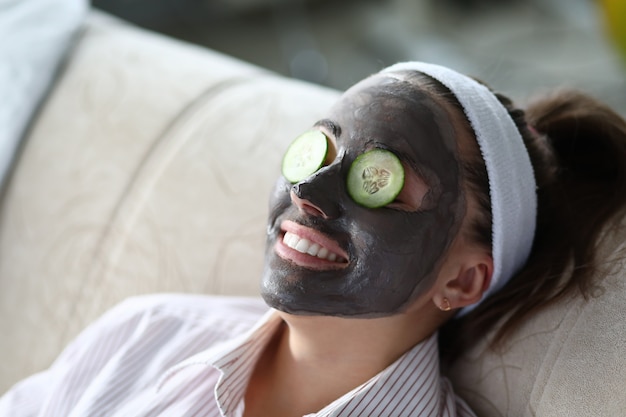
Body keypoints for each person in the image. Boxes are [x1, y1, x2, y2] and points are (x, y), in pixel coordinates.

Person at [1, 61, 625, 417]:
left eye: (380, 179)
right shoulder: (149, 332)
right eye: (321, 148)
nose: (311, 192)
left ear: (462, 280)